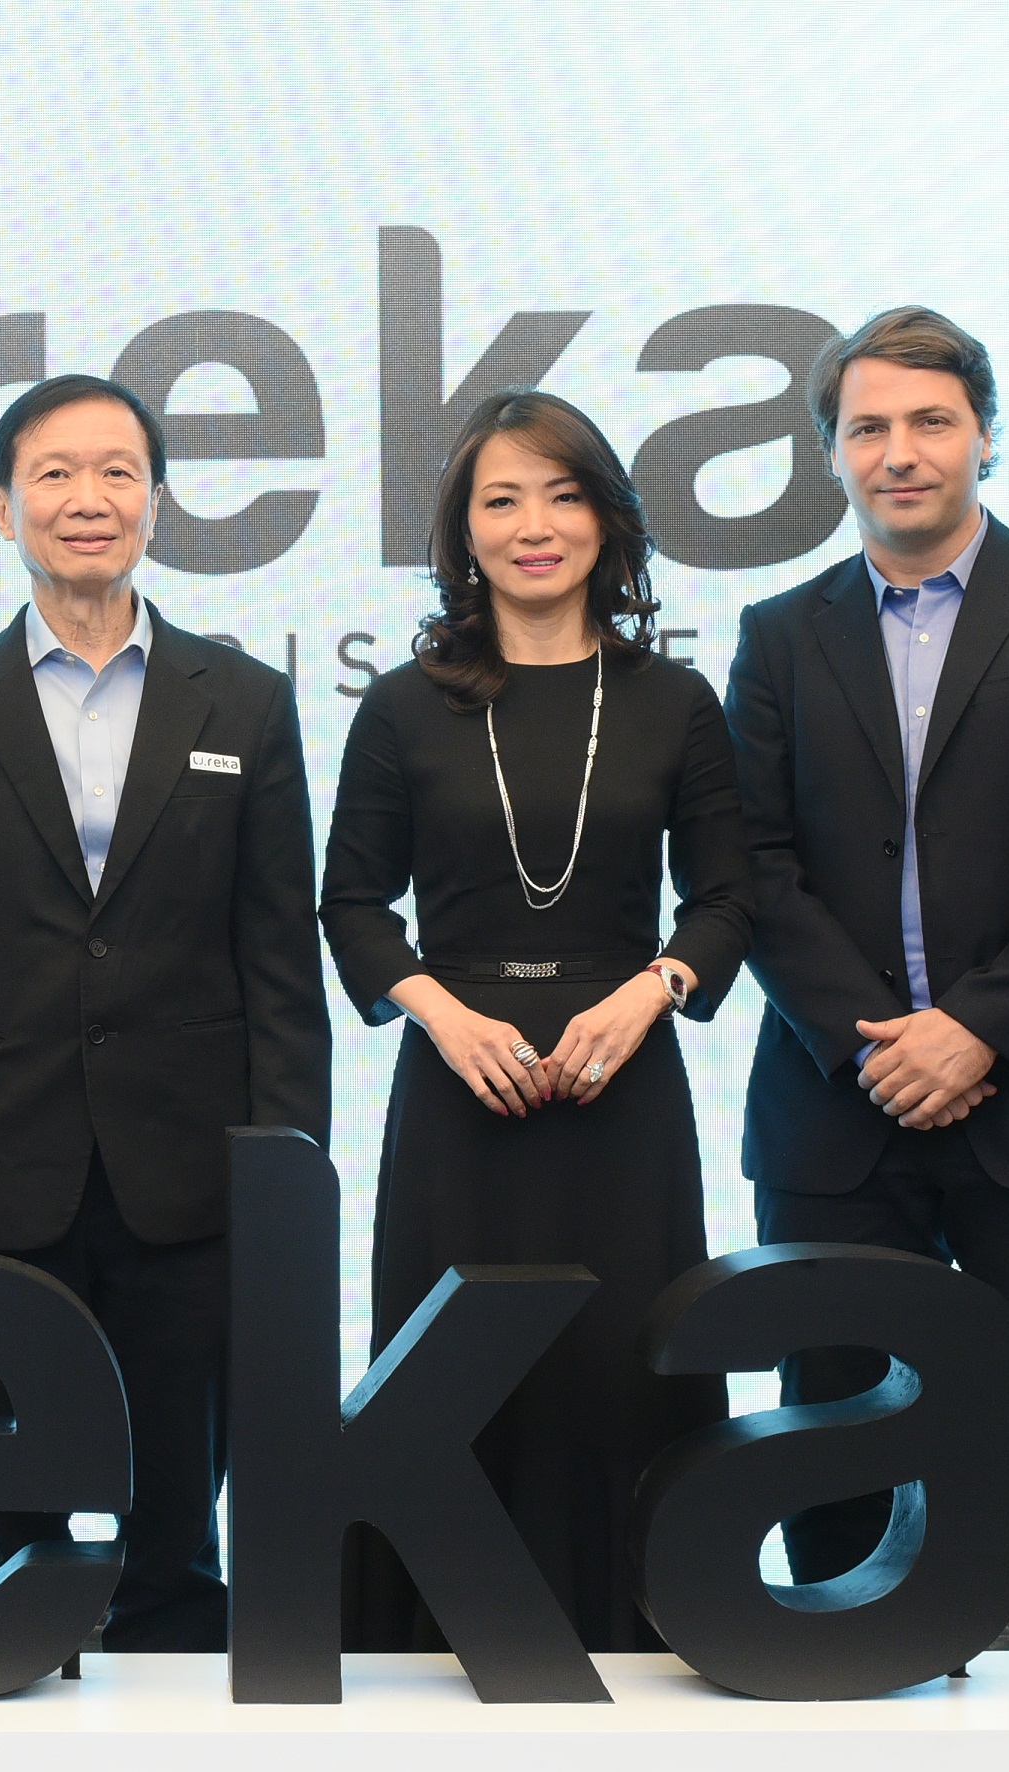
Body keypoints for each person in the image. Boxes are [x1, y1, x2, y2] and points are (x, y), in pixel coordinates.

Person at [727, 307, 1009, 1652]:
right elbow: (751, 862)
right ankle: (847, 1714)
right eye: (868, 426)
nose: (901, 451)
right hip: (838, 1110)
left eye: (931, 421)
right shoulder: (780, 632)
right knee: (829, 1448)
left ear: (986, 435)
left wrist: (977, 1028)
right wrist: (880, 1042)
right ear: (831, 452)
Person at [0, 372, 329, 1651]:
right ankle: (6, 1701)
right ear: (1, 506)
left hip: (193, 1178)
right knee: (8, 1511)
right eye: (54, 473)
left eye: (118, 472)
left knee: (174, 1516)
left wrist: (287, 1179)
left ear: (156, 504)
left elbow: (280, 963)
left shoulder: (244, 700)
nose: (88, 498)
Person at [322, 391, 751, 1652]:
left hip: (625, 1091)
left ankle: (640, 1642)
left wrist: (652, 990)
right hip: (459, 1095)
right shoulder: (404, 705)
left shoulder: (674, 699)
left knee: (622, 1369)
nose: (535, 526)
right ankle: (432, 1653)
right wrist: (441, 1018)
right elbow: (352, 903)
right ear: (463, 530)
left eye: (563, 496)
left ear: (607, 519)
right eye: (501, 500)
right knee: (448, 1377)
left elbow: (728, 901)